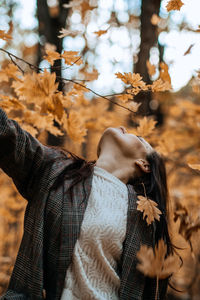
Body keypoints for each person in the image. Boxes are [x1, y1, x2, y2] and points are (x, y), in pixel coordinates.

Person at [0, 107, 172, 300]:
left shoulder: (144, 217)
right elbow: (6, 135)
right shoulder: (56, 171)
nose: (124, 127)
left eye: (139, 138)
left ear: (144, 164)